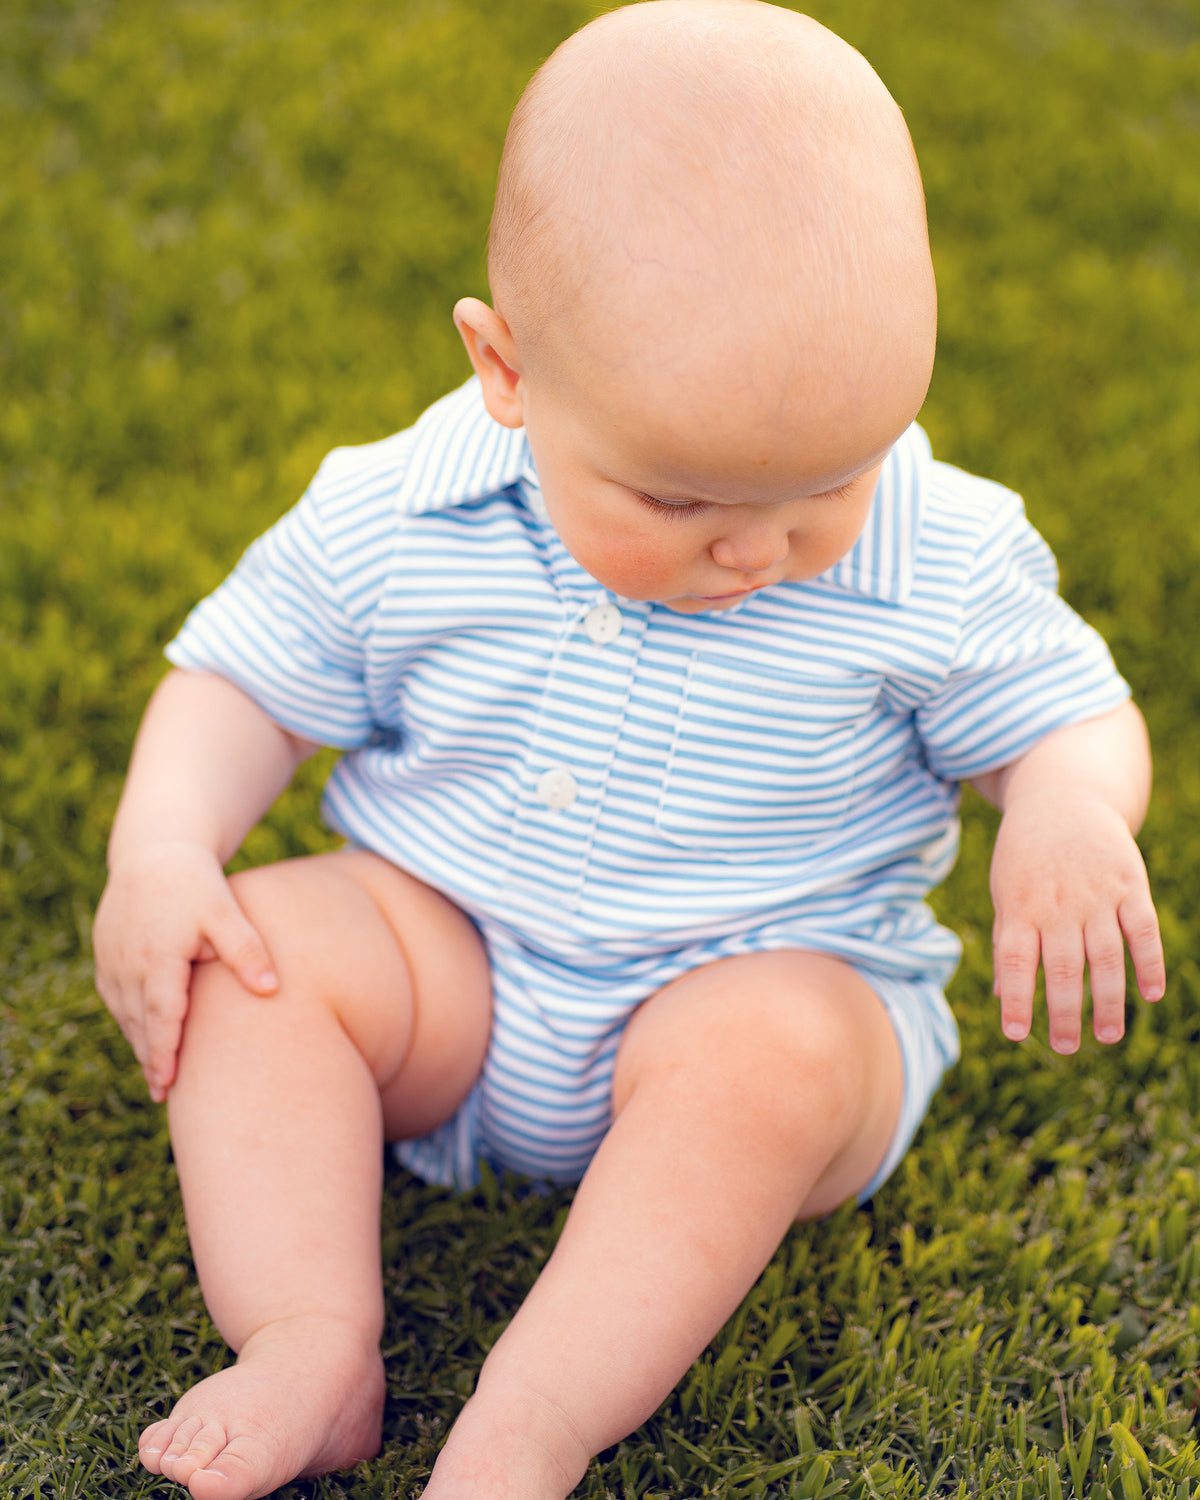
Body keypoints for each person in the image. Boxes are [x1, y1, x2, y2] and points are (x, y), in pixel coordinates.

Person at [91, 3, 1165, 1497]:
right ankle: (305, 1338)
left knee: (776, 1050)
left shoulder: (937, 552)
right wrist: (163, 846)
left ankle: (530, 1424)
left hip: (751, 977)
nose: (759, 550)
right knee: (254, 956)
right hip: (449, 966)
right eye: (675, 501)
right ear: (507, 370)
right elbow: (243, 685)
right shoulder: (404, 510)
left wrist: (1065, 805)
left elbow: (1067, 717)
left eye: (830, 484)